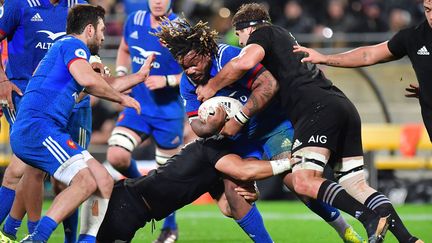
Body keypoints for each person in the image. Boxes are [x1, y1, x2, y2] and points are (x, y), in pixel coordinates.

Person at [195, 3, 424, 243]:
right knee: (355, 184)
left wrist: (211, 86)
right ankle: (409, 240)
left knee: (303, 181)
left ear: (247, 28)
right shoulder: (282, 39)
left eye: (240, 35)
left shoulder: (263, 33)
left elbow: (244, 62)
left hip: (316, 109)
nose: (240, 43)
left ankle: (368, 218)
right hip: (341, 105)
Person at [154, 18, 364, 243]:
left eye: (194, 62)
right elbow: (197, 125)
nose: (190, 70)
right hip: (239, 138)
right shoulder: (189, 82)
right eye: (184, 66)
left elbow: (269, 84)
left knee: (297, 182)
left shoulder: (227, 56)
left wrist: (240, 117)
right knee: (235, 196)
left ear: (205, 51)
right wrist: (211, 126)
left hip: (271, 124)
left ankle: (345, 230)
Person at [6, 5, 152, 242]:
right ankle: (36, 237)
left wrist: (139, 77)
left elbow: (98, 83)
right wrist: (123, 99)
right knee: (83, 181)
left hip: (44, 127)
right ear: (90, 29)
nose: (104, 36)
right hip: (40, 127)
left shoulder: (66, 52)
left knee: (102, 180)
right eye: (102, 30)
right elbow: (90, 81)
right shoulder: (72, 45)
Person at [0, 0, 89, 242]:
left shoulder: (77, 5)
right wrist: (2, 81)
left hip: (67, 102)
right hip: (25, 96)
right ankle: (32, 232)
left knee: (69, 175)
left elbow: (91, 46)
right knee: (27, 168)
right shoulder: (18, 4)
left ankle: (10, 229)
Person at [97, 135, 292, 242]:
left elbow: (227, 208)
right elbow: (243, 171)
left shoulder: (214, 166)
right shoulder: (212, 148)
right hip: (125, 204)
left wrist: (252, 195)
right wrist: (290, 162)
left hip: (134, 211)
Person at [292, 0, 432, 144]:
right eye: (428, 10)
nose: (431, 16)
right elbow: (368, 55)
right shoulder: (414, 37)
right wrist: (324, 58)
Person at [107, 0, 184, 241]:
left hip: (168, 112)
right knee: (116, 156)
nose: (158, 1)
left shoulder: (181, 27)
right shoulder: (135, 19)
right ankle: (141, 188)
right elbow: (124, 49)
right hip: (137, 107)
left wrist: (168, 81)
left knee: (167, 176)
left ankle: (169, 227)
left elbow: (199, 70)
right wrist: (122, 76)